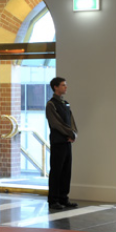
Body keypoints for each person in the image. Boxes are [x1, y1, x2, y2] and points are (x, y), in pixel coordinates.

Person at [45, 77, 79, 210]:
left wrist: (74, 134)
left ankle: (64, 198)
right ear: (55, 87)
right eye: (63, 85)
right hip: (58, 142)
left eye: (66, 85)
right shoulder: (51, 104)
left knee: (66, 171)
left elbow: (71, 120)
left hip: (67, 142)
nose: (66, 87)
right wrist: (69, 133)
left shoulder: (65, 103)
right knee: (56, 171)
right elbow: (56, 123)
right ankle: (53, 200)